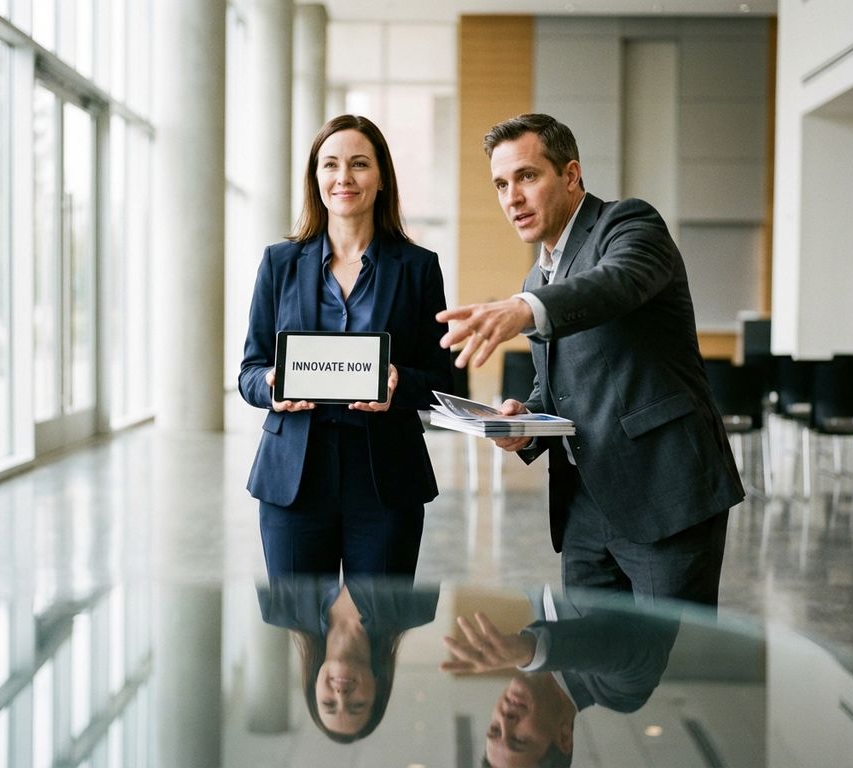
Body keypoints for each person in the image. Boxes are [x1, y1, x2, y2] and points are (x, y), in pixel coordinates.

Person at [436, 113, 744, 607]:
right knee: (590, 669)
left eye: (527, 176)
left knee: (672, 672)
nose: (511, 198)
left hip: (664, 492)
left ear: (571, 174)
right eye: (500, 184)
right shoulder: (535, 280)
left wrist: (524, 311)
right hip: (583, 505)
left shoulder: (629, 225)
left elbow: (616, 283)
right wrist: (524, 423)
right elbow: (556, 387)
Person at [240, 115, 452, 577]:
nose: (344, 178)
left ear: (381, 179)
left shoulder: (418, 268)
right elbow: (250, 370)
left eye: (359, 164)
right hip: (294, 474)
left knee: (378, 632)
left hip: (384, 476)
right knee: (298, 631)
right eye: (330, 165)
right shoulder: (279, 263)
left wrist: (400, 382)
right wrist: (271, 385)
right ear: (316, 179)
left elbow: (441, 378)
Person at [441, 588, 681, 767]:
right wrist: (530, 649)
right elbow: (632, 650)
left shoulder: (540, 619)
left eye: (494, 729)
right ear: (564, 737)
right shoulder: (617, 692)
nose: (505, 720)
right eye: (519, 739)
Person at [257, 576, 439, 742]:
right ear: (378, 688)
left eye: (329, 703)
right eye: (357, 705)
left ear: (314, 687)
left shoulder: (278, 606)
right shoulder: (416, 608)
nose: (341, 695)